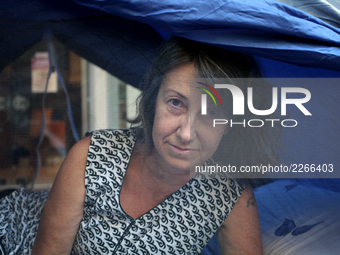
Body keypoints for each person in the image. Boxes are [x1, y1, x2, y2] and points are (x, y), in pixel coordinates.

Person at [1, 37, 268, 254]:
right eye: (176, 102)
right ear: (153, 100)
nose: (186, 133)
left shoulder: (230, 196)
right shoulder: (91, 155)